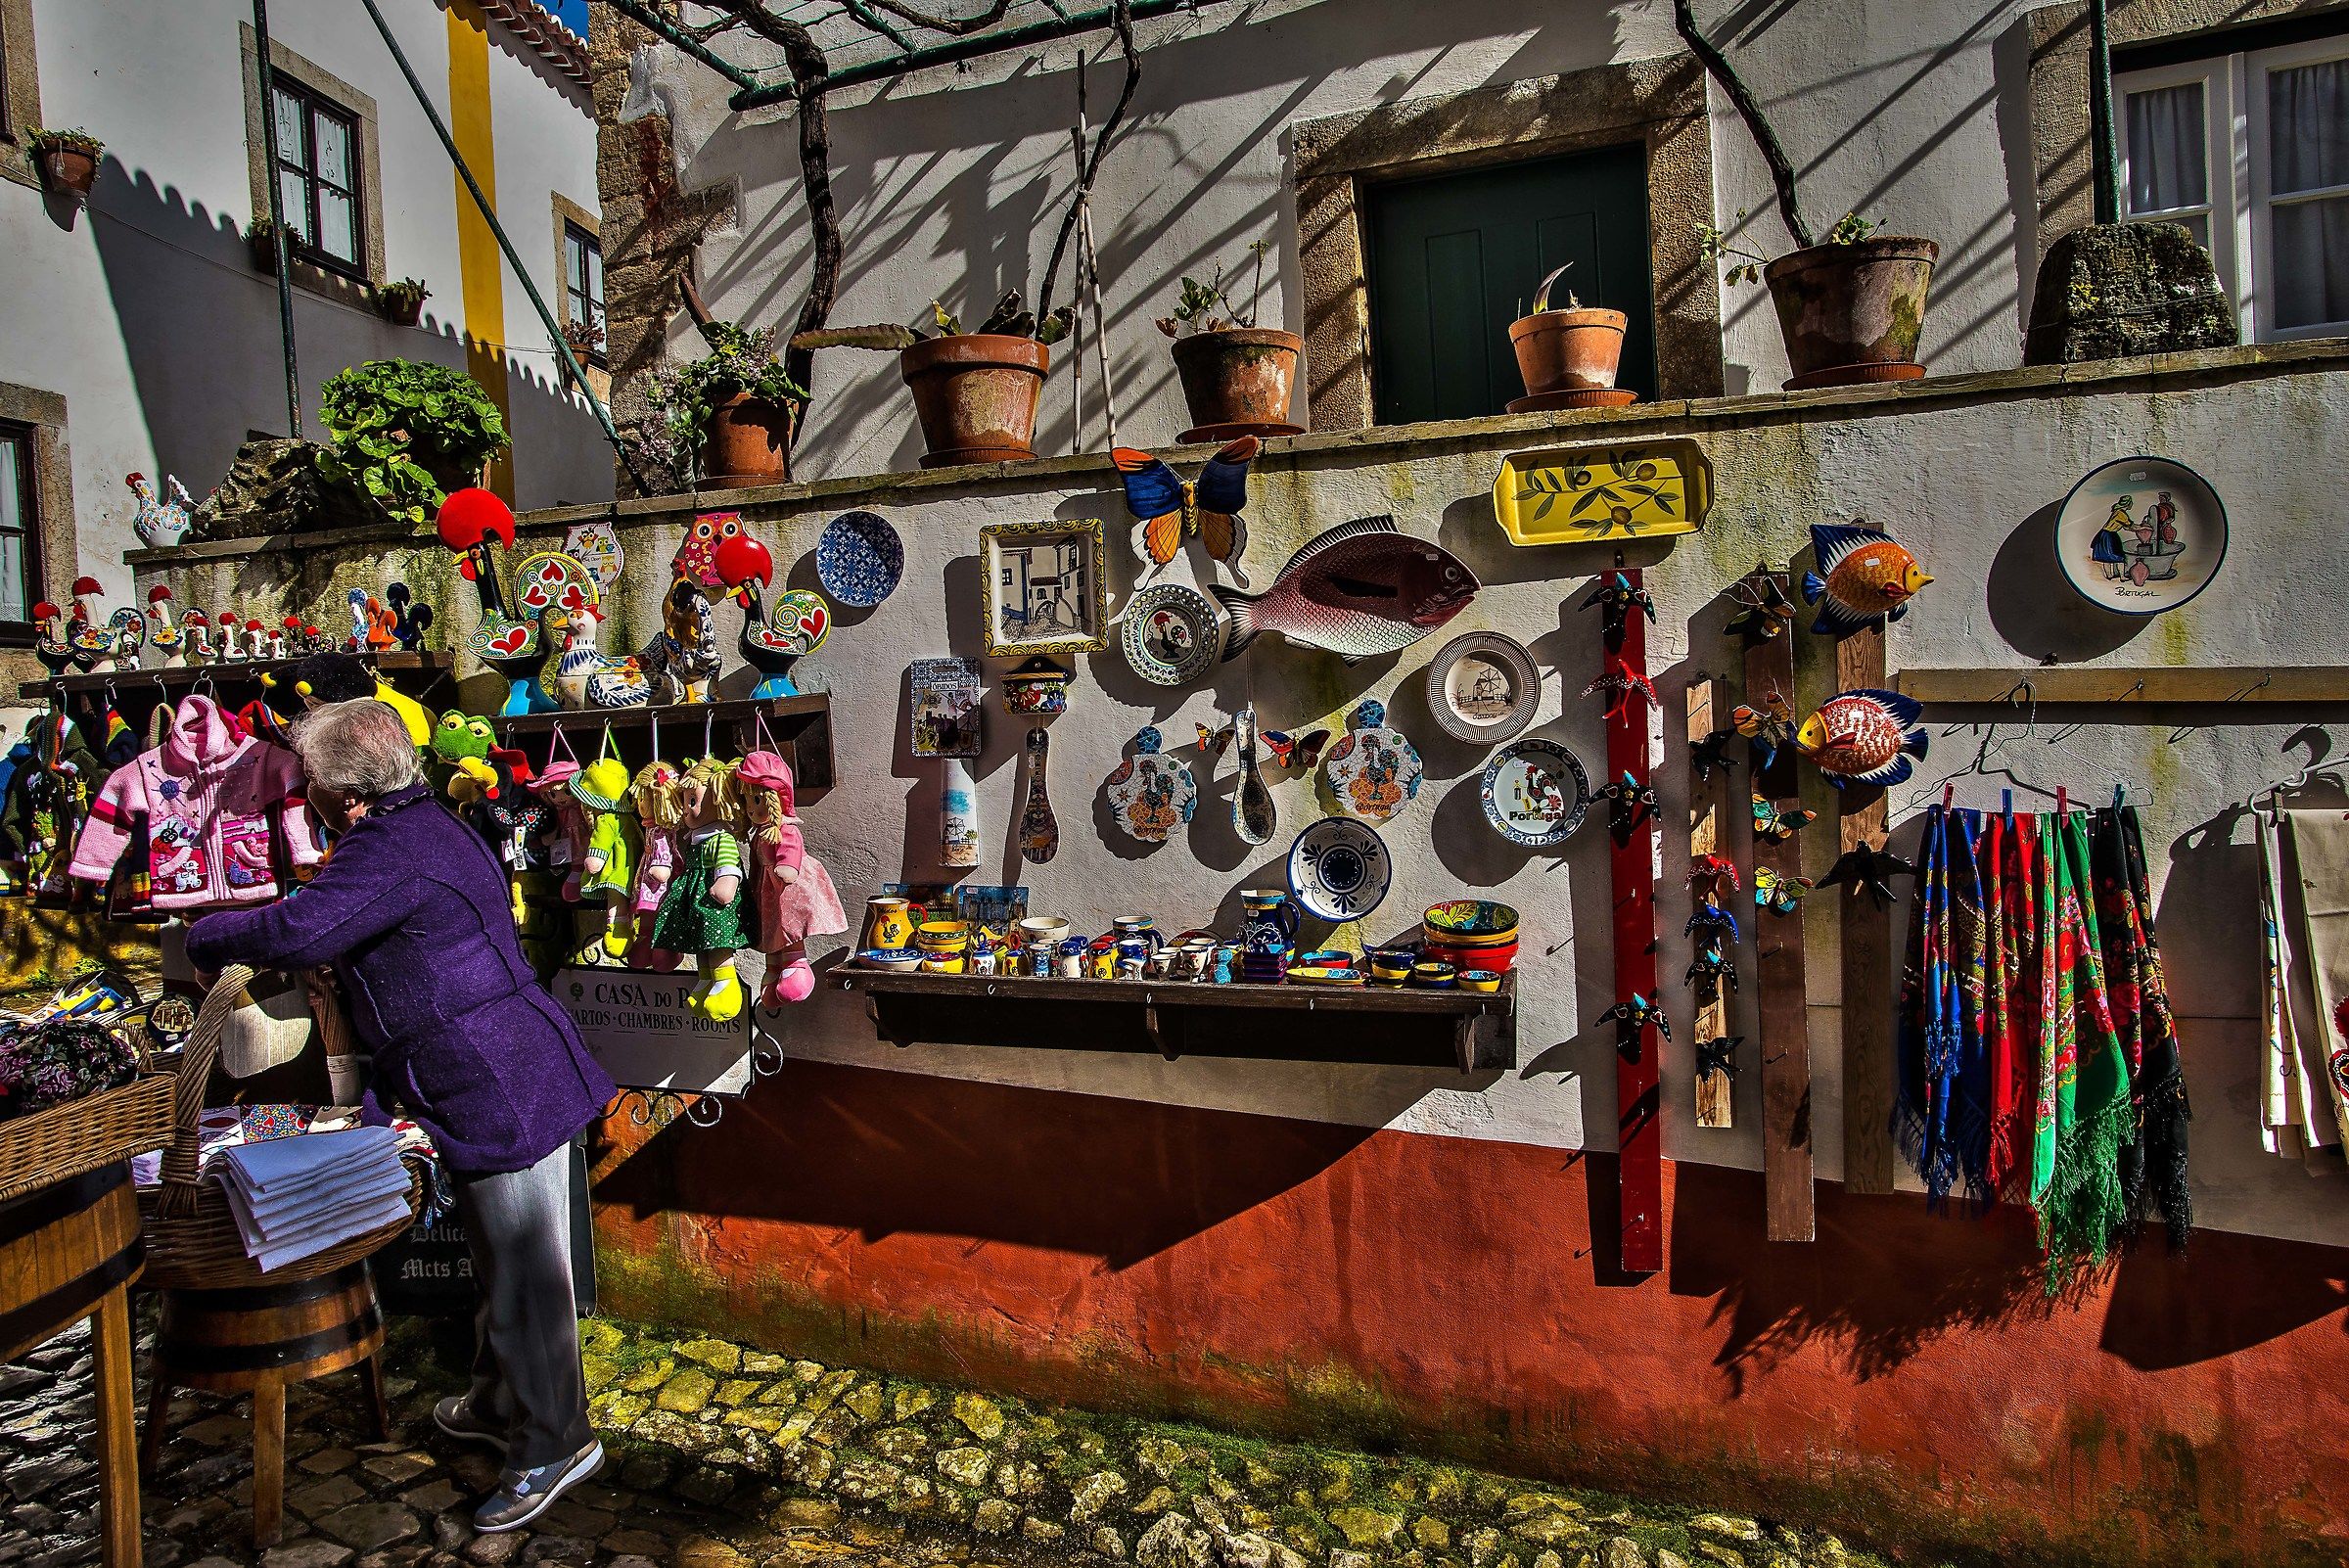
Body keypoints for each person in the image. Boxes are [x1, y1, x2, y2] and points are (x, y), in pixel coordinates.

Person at [185, 699, 618, 1534]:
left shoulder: (389, 846)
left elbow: (304, 929)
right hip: (497, 1066)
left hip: (500, 1074)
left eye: (308, 780)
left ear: (343, 796)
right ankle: (501, 1400)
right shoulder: (423, 823)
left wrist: (206, 936)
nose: (303, 793)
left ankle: (555, 1441)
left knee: (528, 1273)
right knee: (500, 1260)